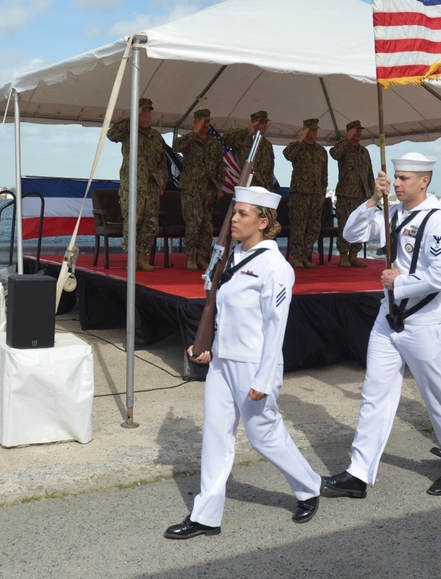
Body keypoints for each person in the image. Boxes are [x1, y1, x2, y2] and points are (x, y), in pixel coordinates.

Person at [164, 185, 321, 539]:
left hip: (253, 364)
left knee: (263, 436)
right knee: (216, 436)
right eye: (234, 212)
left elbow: (275, 327)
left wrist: (265, 379)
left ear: (263, 221)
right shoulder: (229, 257)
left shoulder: (274, 267)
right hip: (222, 361)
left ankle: (309, 486)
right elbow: (219, 313)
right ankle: (205, 515)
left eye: (243, 214)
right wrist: (207, 345)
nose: (233, 219)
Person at [322, 152, 441, 497]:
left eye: (405, 178)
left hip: (425, 318)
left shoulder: (438, 222)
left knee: (436, 393)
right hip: (388, 317)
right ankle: (359, 472)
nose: (398, 183)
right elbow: (351, 231)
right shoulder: (391, 212)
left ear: (425, 181)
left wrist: (400, 283)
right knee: (375, 392)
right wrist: (374, 198)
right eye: (396, 177)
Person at [106, 97, 169, 272]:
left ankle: (142, 257)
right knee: (132, 222)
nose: (147, 114)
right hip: (132, 188)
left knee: (149, 224)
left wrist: (160, 183)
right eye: (143, 110)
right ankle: (131, 259)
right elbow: (111, 135)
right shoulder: (129, 130)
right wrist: (132, 117)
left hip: (151, 188)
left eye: (149, 110)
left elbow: (163, 164)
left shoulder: (156, 136)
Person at [173, 109, 224, 271]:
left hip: (209, 189)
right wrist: (193, 133)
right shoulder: (189, 140)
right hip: (192, 188)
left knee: (206, 225)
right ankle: (191, 256)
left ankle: (202, 255)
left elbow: (219, 165)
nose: (206, 125)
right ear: (195, 122)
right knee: (194, 223)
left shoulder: (213, 142)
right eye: (202, 122)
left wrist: (219, 186)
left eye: (208, 122)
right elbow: (176, 147)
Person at [283, 118, 327, 269]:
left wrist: (323, 192)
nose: (314, 132)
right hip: (300, 193)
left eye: (315, 130)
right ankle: (296, 257)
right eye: (310, 129)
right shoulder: (297, 147)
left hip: (316, 194)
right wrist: (300, 138)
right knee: (299, 225)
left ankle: (305, 255)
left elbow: (324, 174)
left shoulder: (321, 151)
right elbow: (288, 154)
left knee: (313, 226)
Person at [330, 120, 375, 268]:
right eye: (356, 131)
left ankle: (353, 255)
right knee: (344, 225)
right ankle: (343, 256)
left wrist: (373, 193)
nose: (359, 134)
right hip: (346, 194)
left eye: (360, 131)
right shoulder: (343, 148)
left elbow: (369, 173)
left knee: (360, 225)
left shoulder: (364, 151)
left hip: (362, 195)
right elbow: (334, 154)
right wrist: (346, 139)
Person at [223, 111, 275, 191]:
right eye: (261, 123)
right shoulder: (244, 141)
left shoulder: (268, 145)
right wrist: (248, 128)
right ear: (254, 124)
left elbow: (270, 168)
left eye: (265, 123)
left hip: (264, 187)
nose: (264, 126)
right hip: (248, 185)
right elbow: (227, 139)